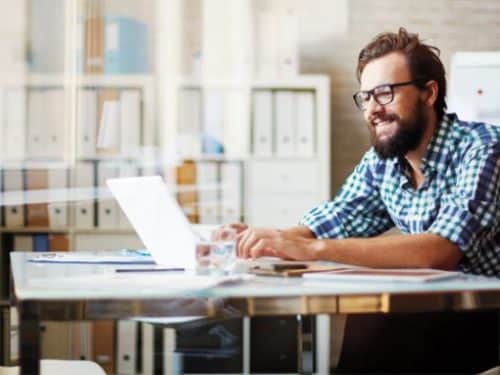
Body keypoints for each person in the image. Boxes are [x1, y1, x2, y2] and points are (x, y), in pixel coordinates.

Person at [214, 28, 500, 373]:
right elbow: (335, 218)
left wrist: (312, 250)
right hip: (443, 311)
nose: (372, 110)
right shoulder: (385, 162)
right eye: (365, 98)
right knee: (373, 319)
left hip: (488, 313)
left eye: (384, 94)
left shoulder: (483, 148)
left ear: (428, 92)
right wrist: (270, 240)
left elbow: (441, 250)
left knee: (380, 322)